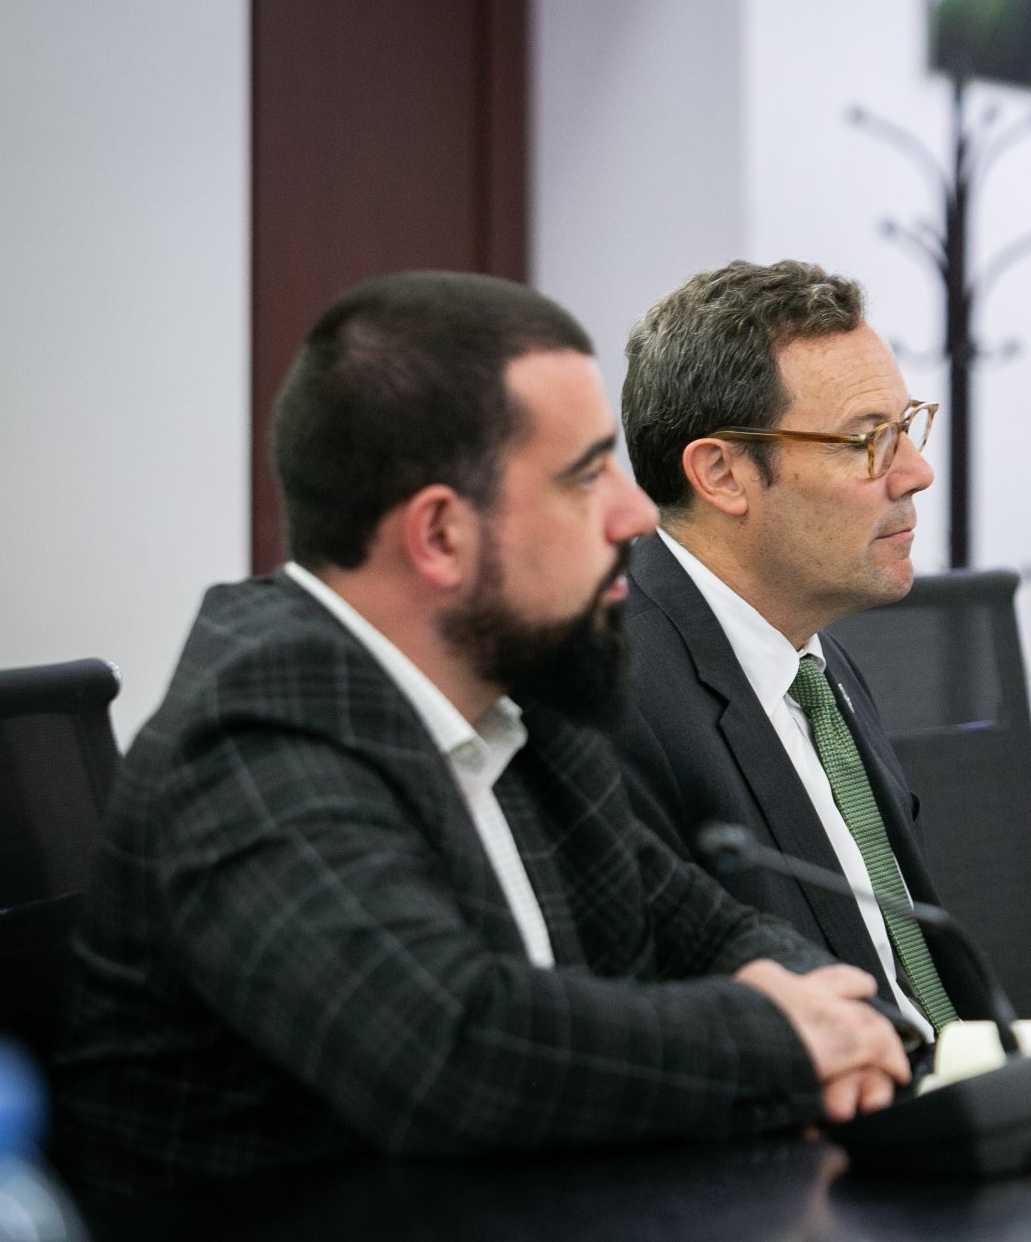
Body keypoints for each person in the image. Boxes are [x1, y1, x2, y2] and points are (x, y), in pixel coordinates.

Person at [55, 271, 909, 1196]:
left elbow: (704, 929)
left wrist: (835, 1013)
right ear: (440, 536)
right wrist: (782, 1040)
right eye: (585, 477)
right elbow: (449, 1046)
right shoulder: (253, 734)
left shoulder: (521, 706)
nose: (633, 514)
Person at [612, 260, 994, 1046]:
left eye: (906, 426)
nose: (917, 472)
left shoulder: (819, 663)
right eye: (868, 439)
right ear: (722, 473)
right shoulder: (619, 691)